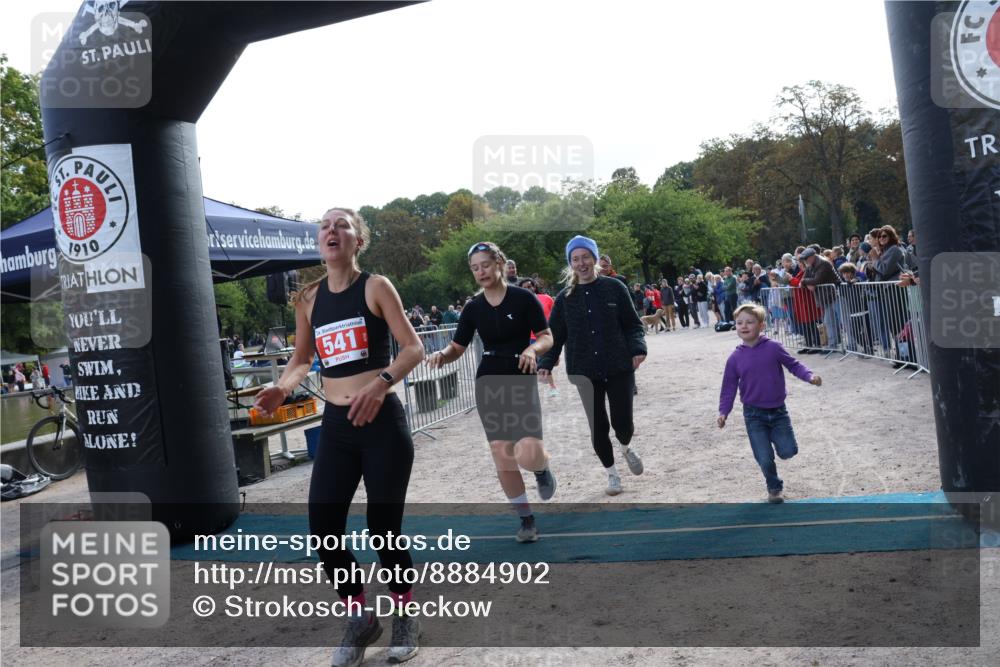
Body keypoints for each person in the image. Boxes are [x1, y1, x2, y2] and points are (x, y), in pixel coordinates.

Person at [253, 207, 425, 666]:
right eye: (325, 226)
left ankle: (406, 613)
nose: (332, 231)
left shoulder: (376, 286)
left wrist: (381, 381)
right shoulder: (308, 298)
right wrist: (281, 388)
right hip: (336, 426)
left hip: (382, 423)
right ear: (319, 241)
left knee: (382, 529)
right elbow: (301, 359)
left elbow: (413, 348)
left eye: (342, 225)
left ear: (357, 241)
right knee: (323, 527)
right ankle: (360, 618)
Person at [428, 242, 556, 542]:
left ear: (499, 263)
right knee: (502, 453)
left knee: (529, 453)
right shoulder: (473, 307)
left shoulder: (524, 298)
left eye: (485, 264)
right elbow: (457, 346)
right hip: (489, 382)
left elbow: (546, 337)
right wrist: (441, 355)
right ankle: (526, 520)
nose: (480, 272)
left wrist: (532, 349)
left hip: (521, 378)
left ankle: (541, 467)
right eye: (474, 268)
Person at [539, 235, 647, 496]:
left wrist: (637, 349)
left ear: (595, 259)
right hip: (583, 370)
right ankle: (612, 474)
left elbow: (632, 325)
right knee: (598, 426)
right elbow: (554, 335)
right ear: (570, 264)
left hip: (619, 365)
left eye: (586, 257)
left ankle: (625, 446)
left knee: (623, 424)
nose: (581, 263)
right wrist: (546, 362)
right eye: (575, 259)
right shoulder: (564, 298)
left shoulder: (615, 288)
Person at [717, 303, 822, 503]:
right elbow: (728, 387)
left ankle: (778, 443)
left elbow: (794, 365)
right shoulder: (734, 358)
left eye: (750, 322)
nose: (744, 326)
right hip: (753, 415)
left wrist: (810, 376)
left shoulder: (773, 348)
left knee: (788, 451)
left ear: (762, 326)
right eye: (739, 323)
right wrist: (724, 412)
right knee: (764, 457)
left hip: (778, 412)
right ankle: (774, 488)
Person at [520, 277, 560, 397]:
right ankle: (551, 387)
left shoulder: (546, 298)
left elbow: (556, 315)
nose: (529, 289)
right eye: (525, 287)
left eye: (530, 286)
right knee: (536, 363)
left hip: (547, 336)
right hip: (531, 337)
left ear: (534, 287)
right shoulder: (520, 303)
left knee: (554, 362)